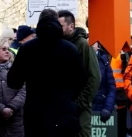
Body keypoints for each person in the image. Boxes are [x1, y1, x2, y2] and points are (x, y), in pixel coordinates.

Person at [7, 8, 86, 136]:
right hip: (64, 114)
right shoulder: (70, 49)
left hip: (36, 116)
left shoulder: (27, 49)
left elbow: (13, 82)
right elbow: (81, 81)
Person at [58, 10, 100, 137]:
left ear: (71, 26)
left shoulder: (83, 45)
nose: (57, 29)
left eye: (60, 26)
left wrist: (79, 104)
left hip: (79, 108)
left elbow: (94, 78)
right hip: (62, 107)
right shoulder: (58, 44)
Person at [91, 41, 116, 124]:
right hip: (85, 108)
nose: (90, 44)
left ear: (98, 46)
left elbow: (111, 88)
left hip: (101, 107)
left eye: (93, 42)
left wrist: (108, 108)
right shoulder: (81, 59)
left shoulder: (104, 61)